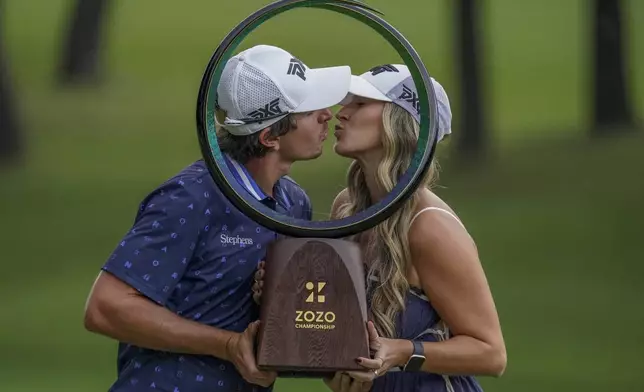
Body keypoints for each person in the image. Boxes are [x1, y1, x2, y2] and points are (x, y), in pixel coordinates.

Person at [83, 44, 352, 392]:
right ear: (270, 136)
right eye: (308, 109)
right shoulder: (190, 197)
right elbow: (105, 308)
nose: (327, 114)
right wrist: (225, 345)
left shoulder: (293, 203)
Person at [253, 64, 506, 392]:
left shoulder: (430, 227)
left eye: (359, 104)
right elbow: (338, 328)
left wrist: (401, 353)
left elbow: (491, 353)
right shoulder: (347, 207)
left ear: (399, 122)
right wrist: (281, 293)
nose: (340, 114)